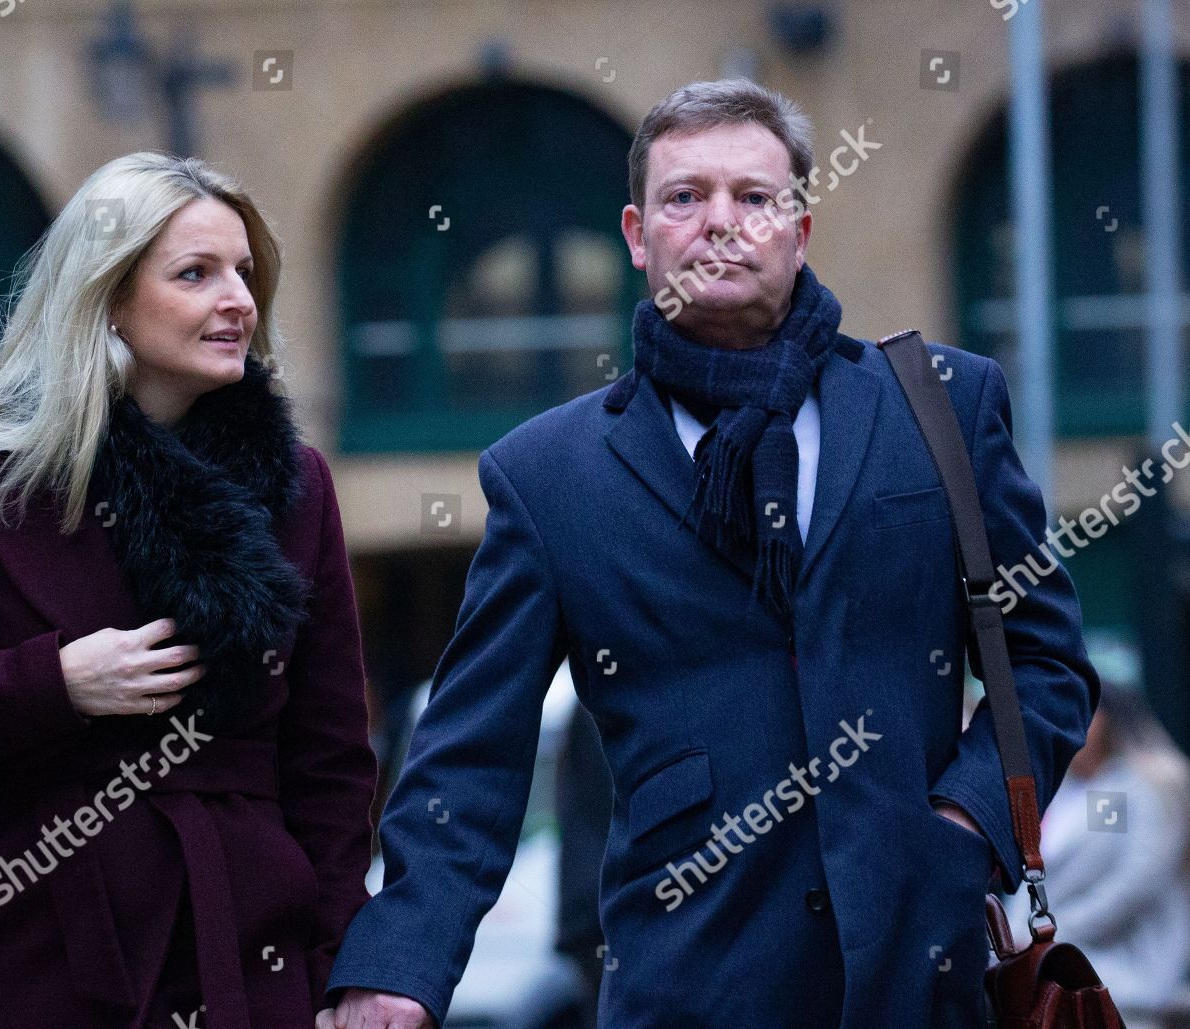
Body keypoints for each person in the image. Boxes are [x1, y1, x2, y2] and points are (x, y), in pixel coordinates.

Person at [321, 79, 1098, 1029]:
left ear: (798, 231)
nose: (720, 223)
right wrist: (398, 964)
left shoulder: (941, 407)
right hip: (690, 986)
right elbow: (473, 752)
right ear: (638, 236)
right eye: (685, 198)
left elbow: (1047, 665)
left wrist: (962, 823)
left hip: (920, 978)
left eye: (755, 197)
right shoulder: (549, 475)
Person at [0, 152, 377, 1028]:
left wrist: (342, 969)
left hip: (253, 962)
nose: (238, 298)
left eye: (242, 271)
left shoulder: (297, 486)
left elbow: (332, 763)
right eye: (195, 274)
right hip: (37, 954)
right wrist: (57, 684)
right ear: (108, 296)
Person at [1000, 680, 1190, 1026]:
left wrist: (1048, 932)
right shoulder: (1066, 789)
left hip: (1118, 986)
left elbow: (1134, 883)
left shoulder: (1128, 789)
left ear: (1103, 719)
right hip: (1051, 977)